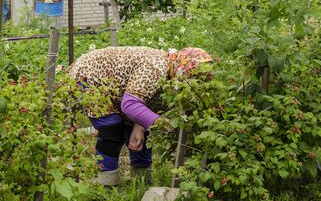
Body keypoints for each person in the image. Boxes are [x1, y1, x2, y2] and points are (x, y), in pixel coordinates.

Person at [69, 46, 213, 186]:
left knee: (140, 133)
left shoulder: (172, 78)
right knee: (111, 127)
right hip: (91, 76)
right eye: (193, 75)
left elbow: (147, 104)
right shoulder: (156, 67)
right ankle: (107, 181)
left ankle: (141, 180)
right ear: (184, 67)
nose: (195, 81)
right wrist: (162, 124)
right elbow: (130, 105)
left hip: (120, 89)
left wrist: (140, 127)